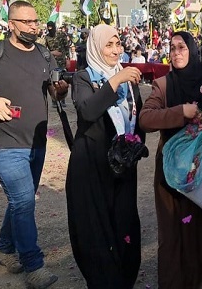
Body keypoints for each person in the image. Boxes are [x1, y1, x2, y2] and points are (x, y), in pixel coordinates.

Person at [0, 0, 68, 289]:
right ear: (10, 24)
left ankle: (4, 249)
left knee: (19, 202)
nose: (33, 27)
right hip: (4, 145)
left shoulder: (44, 54)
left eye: (35, 22)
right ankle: (33, 264)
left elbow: (54, 93)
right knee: (24, 200)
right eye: (26, 22)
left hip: (37, 143)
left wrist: (60, 92)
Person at [139, 31, 202, 289]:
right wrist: (181, 113)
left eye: (182, 47)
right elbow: (145, 119)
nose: (176, 52)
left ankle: (201, 271)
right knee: (172, 229)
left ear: (193, 50)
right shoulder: (164, 85)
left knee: (201, 224)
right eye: (172, 47)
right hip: (171, 169)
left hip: (201, 166)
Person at [65, 24, 145, 288]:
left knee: (124, 224)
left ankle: (123, 278)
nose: (114, 50)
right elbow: (87, 111)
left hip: (122, 167)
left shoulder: (127, 76)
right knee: (96, 228)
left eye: (117, 44)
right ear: (96, 47)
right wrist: (115, 81)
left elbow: (138, 117)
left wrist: (136, 145)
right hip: (91, 167)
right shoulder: (83, 78)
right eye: (108, 45)